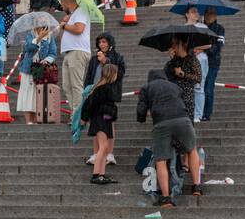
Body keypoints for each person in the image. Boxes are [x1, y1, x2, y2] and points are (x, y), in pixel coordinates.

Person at [137, 69, 202, 208]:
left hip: (162, 122)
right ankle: (197, 186)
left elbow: (140, 111)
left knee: (161, 159)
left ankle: (166, 198)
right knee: (192, 150)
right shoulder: (174, 86)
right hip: (183, 119)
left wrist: (143, 117)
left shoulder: (146, 87)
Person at [85, 32, 125, 168]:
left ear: (110, 43)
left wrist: (106, 61)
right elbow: (89, 76)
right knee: (96, 125)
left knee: (109, 124)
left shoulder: (117, 57)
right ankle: (96, 153)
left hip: (108, 96)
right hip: (94, 95)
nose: (102, 44)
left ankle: (109, 153)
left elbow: (120, 74)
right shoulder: (94, 59)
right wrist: (86, 90)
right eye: (100, 42)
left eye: (104, 42)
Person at [81, 63, 122, 185]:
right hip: (101, 119)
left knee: (104, 149)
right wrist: (84, 118)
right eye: (115, 73)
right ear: (112, 74)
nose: (117, 75)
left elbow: (88, 104)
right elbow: (89, 104)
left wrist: (85, 118)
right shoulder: (103, 88)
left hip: (104, 119)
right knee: (103, 147)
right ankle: (96, 174)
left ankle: (101, 174)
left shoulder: (99, 88)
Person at [14, 24, 56, 124]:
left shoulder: (50, 37)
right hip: (28, 68)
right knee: (28, 94)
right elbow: (28, 48)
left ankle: (38, 119)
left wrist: (46, 60)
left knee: (39, 94)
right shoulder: (30, 35)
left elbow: (53, 53)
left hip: (42, 70)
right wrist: (39, 38)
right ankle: (29, 121)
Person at [58, 0, 92, 115]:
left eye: (62, 5)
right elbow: (62, 37)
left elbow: (79, 29)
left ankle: (78, 114)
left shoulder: (81, 11)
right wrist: (64, 25)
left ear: (67, 3)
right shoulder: (72, 16)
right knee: (66, 85)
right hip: (68, 52)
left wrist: (65, 25)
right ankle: (75, 112)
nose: (62, 8)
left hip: (78, 52)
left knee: (76, 85)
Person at [200, 9, 226, 121]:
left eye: (212, 14)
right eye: (207, 13)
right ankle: (198, 112)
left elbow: (218, 47)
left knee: (208, 89)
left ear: (216, 16)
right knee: (199, 89)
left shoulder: (220, 29)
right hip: (199, 62)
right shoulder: (199, 27)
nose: (209, 16)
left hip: (212, 63)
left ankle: (206, 114)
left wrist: (206, 49)